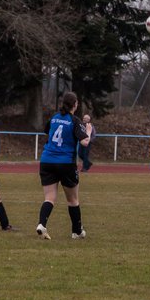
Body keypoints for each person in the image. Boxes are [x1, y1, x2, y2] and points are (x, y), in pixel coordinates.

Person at [36, 91, 89, 240]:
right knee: (73, 200)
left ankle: (41, 224)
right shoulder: (75, 120)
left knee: (49, 197)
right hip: (65, 163)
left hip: (47, 161)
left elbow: (47, 131)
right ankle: (76, 231)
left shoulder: (54, 117)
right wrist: (89, 132)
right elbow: (84, 141)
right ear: (76, 104)